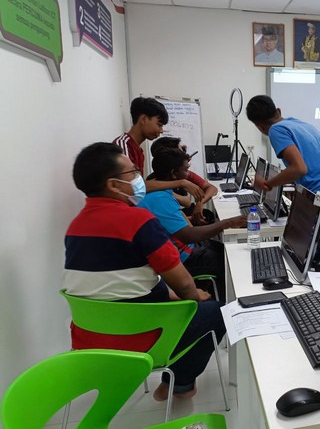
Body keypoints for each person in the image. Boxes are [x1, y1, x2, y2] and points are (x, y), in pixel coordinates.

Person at [63, 142, 225, 401]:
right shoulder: (138, 221)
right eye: (133, 173)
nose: (140, 178)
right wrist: (195, 298)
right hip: (136, 334)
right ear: (114, 185)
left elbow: (123, 283)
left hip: (90, 339)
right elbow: (184, 284)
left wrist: (174, 296)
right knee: (217, 312)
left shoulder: (75, 226)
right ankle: (180, 385)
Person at [246, 95, 320, 259]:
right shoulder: (302, 125)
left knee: (317, 263)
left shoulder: (275, 130)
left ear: (259, 127)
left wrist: (268, 183)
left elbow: (299, 168)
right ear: (278, 111)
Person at [139, 147, 247, 300]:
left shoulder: (159, 190)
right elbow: (188, 236)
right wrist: (228, 222)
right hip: (184, 259)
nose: (188, 174)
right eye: (185, 170)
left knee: (227, 249)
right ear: (174, 173)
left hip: (187, 249)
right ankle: (225, 303)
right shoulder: (159, 199)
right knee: (230, 261)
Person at [113, 97, 205, 202]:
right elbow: (133, 187)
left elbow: (140, 184)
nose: (161, 130)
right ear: (143, 119)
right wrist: (181, 183)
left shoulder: (138, 150)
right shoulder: (123, 146)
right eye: (159, 124)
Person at [150, 136, 218, 225]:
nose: (185, 154)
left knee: (208, 215)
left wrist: (200, 203)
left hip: (178, 215)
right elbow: (185, 203)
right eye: (181, 151)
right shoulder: (154, 184)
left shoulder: (181, 173)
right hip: (173, 219)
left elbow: (212, 188)